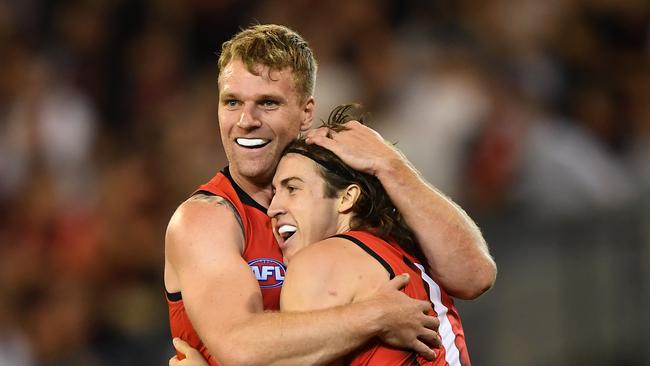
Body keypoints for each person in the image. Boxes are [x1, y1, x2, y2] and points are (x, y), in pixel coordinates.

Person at [164, 24, 495, 366]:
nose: (246, 120)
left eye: (268, 103)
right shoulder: (206, 218)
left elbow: (474, 275)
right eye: (232, 102)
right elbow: (239, 347)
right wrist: (375, 316)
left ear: (306, 112)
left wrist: (390, 164)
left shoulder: (347, 180)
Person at [171, 104, 472, 365]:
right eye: (275, 192)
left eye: (293, 188)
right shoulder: (408, 251)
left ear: (346, 198)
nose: (273, 208)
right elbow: (477, 274)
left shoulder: (322, 261)